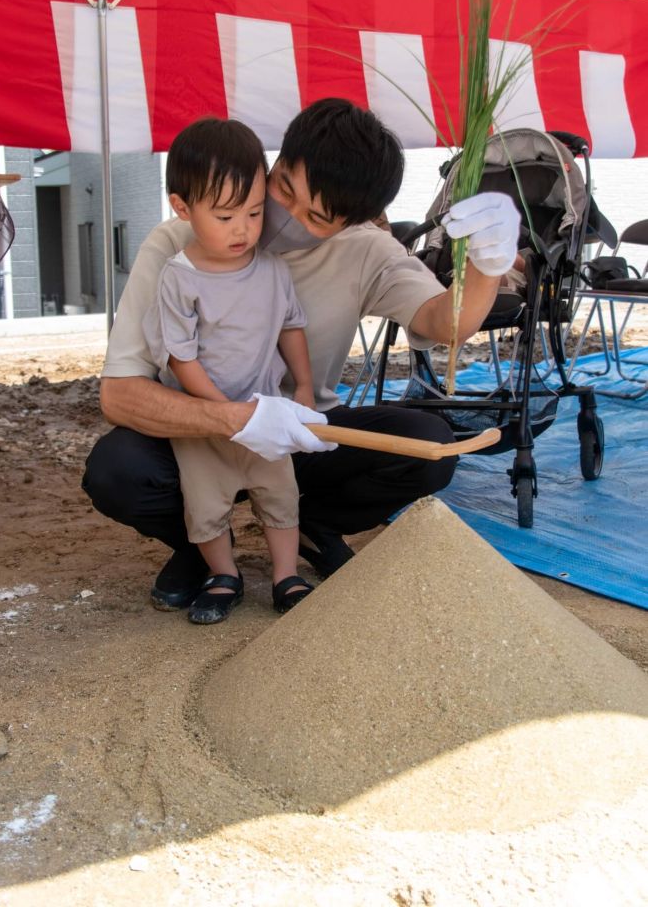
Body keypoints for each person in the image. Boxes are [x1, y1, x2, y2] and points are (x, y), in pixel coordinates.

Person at [83, 98, 520, 619]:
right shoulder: (178, 244)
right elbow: (120, 394)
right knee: (118, 470)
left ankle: (310, 523)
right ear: (275, 161)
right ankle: (199, 549)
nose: (281, 218)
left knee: (427, 447)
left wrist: (488, 266)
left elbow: (444, 324)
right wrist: (234, 419)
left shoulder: (366, 250)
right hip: (196, 441)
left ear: (352, 223)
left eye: (316, 217)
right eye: (283, 188)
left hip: (305, 438)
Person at [142, 117, 329, 624]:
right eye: (225, 217)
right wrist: (224, 413)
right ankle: (223, 575)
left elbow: (291, 328)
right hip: (203, 423)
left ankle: (286, 574)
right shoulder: (179, 278)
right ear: (182, 208)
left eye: (252, 212)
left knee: (279, 493)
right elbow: (182, 358)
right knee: (205, 506)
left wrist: (305, 387)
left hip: (265, 411)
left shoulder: (271, 268)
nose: (243, 229)